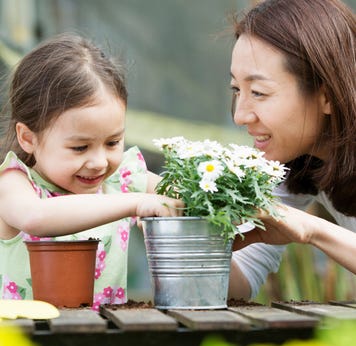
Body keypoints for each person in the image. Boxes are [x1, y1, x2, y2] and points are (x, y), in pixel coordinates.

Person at [0, 33, 183, 310]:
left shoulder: (123, 179)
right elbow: (34, 218)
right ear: (28, 138)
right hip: (28, 344)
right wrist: (135, 203)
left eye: (112, 142)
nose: (99, 162)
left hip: (104, 338)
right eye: (80, 147)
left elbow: (188, 195)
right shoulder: (16, 182)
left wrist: (255, 205)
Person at [228, 0, 356, 300]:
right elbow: (240, 281)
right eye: (237, 90)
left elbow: (304, 228)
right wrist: (172, 232)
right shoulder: (297, 162)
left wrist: (312, 231)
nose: (240, 115)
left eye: (258, 92)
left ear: (327, 96)